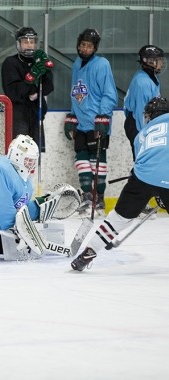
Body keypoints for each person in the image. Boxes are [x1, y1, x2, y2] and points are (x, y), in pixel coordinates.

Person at [71, 96, 169, 271]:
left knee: (118, 219)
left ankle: (87, 253)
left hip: (142, 178)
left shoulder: (142, 134)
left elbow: (145, 164)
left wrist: (156, 190)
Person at [64, 28, 118, 215]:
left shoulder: (102, 64)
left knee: (98, 161)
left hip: (96, 120)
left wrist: (103, 118)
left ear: (95, 48)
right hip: (81, 122)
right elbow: (76, 92)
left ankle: (100, 199)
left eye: (89, 46)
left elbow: (109, 93)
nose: (85, 49)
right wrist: (72, 116)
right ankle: (87, 196)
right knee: (81, 160)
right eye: (83, 45)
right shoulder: (77, 64)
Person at [123, 45, 166, 216]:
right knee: (143, 162)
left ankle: (142, 200)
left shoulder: (150, 78)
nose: (161, 64)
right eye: (159, 61)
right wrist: (146, 136)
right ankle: (137, 202)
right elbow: (142, 113)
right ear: (149, 61)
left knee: (147, 162)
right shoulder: (142, 82)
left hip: (145, 126)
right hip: (138, 126)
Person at [1, 27, 54, 151]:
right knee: (19, 154)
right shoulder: (10, 63)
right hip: (18, 116)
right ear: (18, 44)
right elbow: (13, 93)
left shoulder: (39, 61)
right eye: (25, 42)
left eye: (32, 42)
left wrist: (45, 72)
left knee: (34, 155)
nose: (29, 45)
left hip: (36, 114)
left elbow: (48, 88)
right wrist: (31, 78)